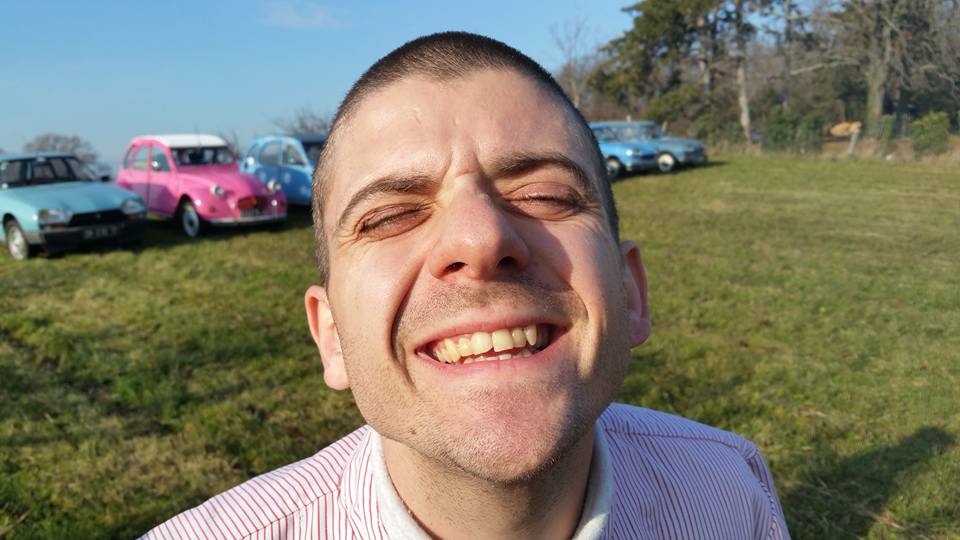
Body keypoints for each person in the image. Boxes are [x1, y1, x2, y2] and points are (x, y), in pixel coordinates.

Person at [143, 32, 790, 539]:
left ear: (631, 292)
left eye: (544, 195)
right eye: (390, 216)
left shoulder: (733, 492)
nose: (480, 239)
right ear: (331, 335)